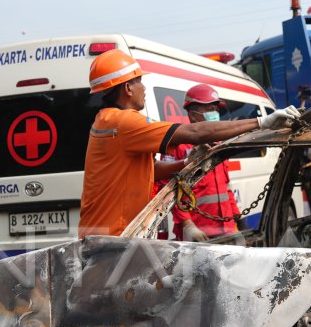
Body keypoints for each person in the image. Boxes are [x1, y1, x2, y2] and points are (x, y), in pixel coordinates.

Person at [79, 50, 298, 237]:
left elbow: (148, 171)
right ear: (127, 88)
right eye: (139, 81)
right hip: (113, 238)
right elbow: (194, 132)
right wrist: (261, 122)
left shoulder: (109, 121)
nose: (143, 88)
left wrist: (185, 162)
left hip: (111, 234)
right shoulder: (124, 121)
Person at [157, 84, 243, 241]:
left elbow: (226, 186)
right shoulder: (178, 146)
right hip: (198, 234)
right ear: (193, 115)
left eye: (215, 109)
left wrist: (236, 219)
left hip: (226, 229)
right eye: (208, 109)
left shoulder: (220, 143)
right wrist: (187, 225)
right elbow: (168, 189)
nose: (214, 114)